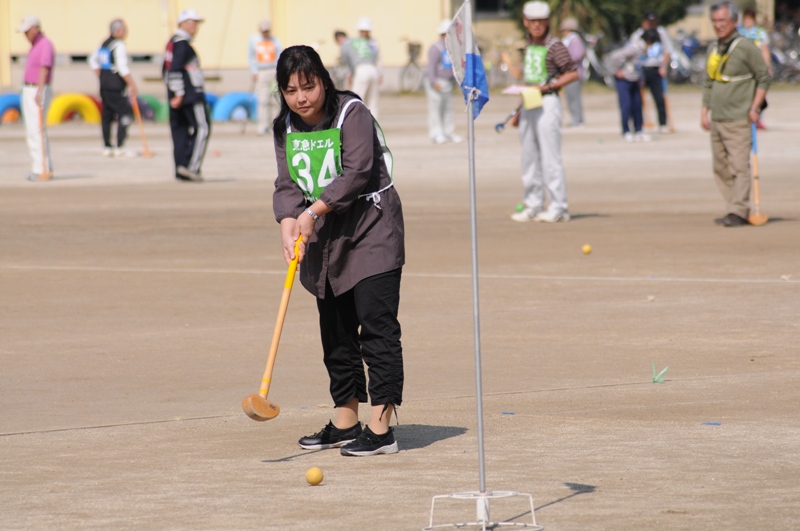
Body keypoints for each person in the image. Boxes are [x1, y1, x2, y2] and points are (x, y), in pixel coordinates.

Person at [271, 45, 404, 457]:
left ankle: (381, 429)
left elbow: (357, 171)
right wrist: (288, 221)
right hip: (324, 238)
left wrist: (311, 211)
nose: (301, 98)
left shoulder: (352, 113)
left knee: (376, 326)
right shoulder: (286, 127)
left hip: (370, 229)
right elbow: (287, 183)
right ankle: (346, 421)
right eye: (290, 90)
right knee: (336, 331)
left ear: (324, 83)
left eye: (308, 86)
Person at [503, 1, 578, 223]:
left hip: (548, 102)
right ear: (525, 22)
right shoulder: (527, 45)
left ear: (547, 22)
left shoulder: (556, 46)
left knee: (550, 157)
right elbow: (528, 80)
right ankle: (533, 205)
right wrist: (518, 111)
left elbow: (573, 73)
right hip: (529, 102)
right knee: (529, 157)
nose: (536, 25)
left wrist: (549, 86)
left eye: (541, 21)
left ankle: (558, 207)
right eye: (532, 21)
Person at [701, 1, 770, 227]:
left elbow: (763, 77)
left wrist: (755, 108)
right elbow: (709, 81)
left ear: (734, 21)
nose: (718, 25)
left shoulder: (745, 47)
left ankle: (739, 210)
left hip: (739, 117)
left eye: (722, 20)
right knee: (720, 167)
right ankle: (733, 206)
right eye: (714, 21)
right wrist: (704, 110)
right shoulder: (714, 48)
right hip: (717, 117)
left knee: (739, 166)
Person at [163, 8, 210, 182]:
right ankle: (191, 167)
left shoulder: (172, 42)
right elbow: (174, 70)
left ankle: (181, 167)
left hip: (177, 95)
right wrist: (179, 93)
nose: (196, 27)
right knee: (203, 128)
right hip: (190, 95)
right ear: (183, 24)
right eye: (193, 23)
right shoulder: (182, 44)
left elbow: (165, 70)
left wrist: (172, 92)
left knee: (180, 131)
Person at [89, 19, 138, 157]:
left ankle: (107, 146)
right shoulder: (119, 45)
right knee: (126, 114)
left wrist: (103, 76)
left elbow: (93, 61)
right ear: (118, 30)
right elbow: (122, 67)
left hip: (104, 85)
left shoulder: (104, 44)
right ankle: (120, 145)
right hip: (116, 86)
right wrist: (132, 84)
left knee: (107, 115)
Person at [18, 15, 55, 181]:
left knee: (37, 129)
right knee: (32, 129)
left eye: (27, 31)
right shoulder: (34, 45)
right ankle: (40, 166)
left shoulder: (44, 44)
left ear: (35, 29)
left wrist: (39, 91)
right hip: (29, 88)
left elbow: (44, 68)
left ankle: (42, 169)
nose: (25, 35)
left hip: (37, 88)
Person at [608, 29, 659, 142]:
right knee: (626, 106)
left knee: (637, 106)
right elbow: (615, 56)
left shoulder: (645, 50)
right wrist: (617, 70)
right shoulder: (635, 47)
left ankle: (639, 130)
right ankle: (626, 131)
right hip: (624, 80)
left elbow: (639, 65)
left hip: (636, 80)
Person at [630, 12, 674, 133]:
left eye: (653, 22)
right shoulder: (637, 35)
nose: (651, 25)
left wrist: (664, 66)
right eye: (649, 22)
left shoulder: (661, 32)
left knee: (659, 97)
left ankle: (663, 123)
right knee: (638, 99)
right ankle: (639, 124)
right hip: (642, 69)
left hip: (656, 68)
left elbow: (667, 50)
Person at [425, 19, 461, 144]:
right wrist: (434, 81)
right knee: (436, 109)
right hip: (438, 82)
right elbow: (431, 67)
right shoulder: (436, 48)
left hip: (448, 82)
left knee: (449, 109)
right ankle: (436, 133)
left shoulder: (452, 48)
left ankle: (448, 132)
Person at [340, 17, 381, 118]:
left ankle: (355, 120)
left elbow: (346, 56)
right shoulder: (373, 42)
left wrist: (350, 72)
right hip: (373, 70)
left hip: (361, 69)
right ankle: (374, 124)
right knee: (373, 101)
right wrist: (380, 73)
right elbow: (378, 59)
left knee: (356, 99)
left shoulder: (351, 42)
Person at [738, 7, 772, 129]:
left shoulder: (760, 33)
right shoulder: (739, 33)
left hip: (758, 68)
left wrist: (768, 67)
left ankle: (758, 119)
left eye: (750, 19)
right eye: (746, 19)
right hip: (744, 69)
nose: (748, 22)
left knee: (759, 95)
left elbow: (765, 50)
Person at [248, 20, 283, 135]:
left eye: (267, 31)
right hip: (261, 71)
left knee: (275, 99)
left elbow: (280, 55)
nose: (265, 33)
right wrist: (254, 71)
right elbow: (251, 57)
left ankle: (275, 125)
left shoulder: (275, 41)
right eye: (263, 31)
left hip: (273, 70)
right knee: (263, 100)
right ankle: (263, 126)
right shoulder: (254, 41)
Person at [559, 17, 585, 127]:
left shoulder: (575, 40)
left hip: (574, 73)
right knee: (569, 97)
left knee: (574, 97)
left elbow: (577, 55)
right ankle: (574, 117)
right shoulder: (567, 40)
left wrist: (565, 59)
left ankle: (578, 119)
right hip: (567, 73)